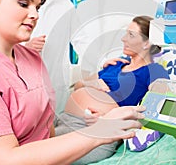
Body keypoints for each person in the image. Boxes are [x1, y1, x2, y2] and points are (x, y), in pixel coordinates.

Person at [0, 0, 145, 164]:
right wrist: (99, 132)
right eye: (24, 3)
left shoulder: (31, 58)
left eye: (38, 7)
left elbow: (47, 132)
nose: (35, 15)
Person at [54, 16, 169, 164]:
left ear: (147, 43)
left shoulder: (154, 70)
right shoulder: (115, 64)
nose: (123, 39)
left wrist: (109, 120)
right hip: (63, 117)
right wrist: (92, 82)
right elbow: (76, 86)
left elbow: (160, 102)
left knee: (37, 154)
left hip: (93, 131)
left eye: (131, 35)